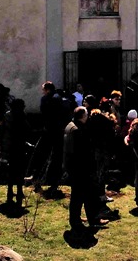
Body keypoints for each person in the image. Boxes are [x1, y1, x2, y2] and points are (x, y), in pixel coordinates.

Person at [63, 106, 104, 236]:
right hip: (80, 169)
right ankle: (76, 222)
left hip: (75, 168)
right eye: (87, 114)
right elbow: (82, 152)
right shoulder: (77, 131)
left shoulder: (70, 126)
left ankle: (92, 219)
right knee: (78, 197)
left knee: (86, 196)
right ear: (83, 116)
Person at [38, 81, 70, 198]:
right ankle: (54, 181)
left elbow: (43, 113)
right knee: (57, 156)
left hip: (49, 130)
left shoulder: (45, 100)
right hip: (59, 130)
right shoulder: (60, 99)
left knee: (44, 155)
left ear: (47, 89)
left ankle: (42, 178)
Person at [2, 98, 30, 208]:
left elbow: (3, 131)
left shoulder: (7, 115)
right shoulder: (22, 116)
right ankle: (19, 191)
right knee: (19, 171)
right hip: (19, 146)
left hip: (9, 147)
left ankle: (10, 192)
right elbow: (27, 129)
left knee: (11, 171)